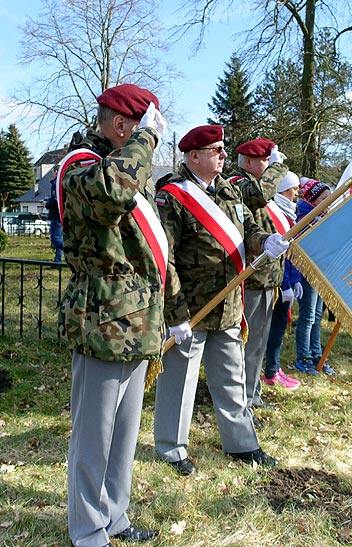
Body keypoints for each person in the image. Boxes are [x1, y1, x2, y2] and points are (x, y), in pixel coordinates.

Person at [60, 84, 169, 547]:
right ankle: (87, 531)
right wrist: (145, 142)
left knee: (123, 439)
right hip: (102, 325)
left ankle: (114, 517)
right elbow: (110, 192)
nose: (152, 138)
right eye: (144, 128)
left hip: (138, 326)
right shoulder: (81, 169)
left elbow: (151, 251)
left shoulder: (131, 175)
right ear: (123, 125)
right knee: (93, 440)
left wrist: (173, 314)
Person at [153, 125, 289, 472]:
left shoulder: (228, 192)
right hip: (193, 308)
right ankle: (172, 448)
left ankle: (241, 444)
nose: (224, 155)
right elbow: (164, 257)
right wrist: (175, 314)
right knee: (180, 381)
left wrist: (264, 242)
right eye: (216, 150)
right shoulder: (173, 195)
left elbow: (246, 231)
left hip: (228, 305)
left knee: (232, 378)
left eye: (223, 149)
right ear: (194, 156)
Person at [228, 138, 290, 423]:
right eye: (267, 161)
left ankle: (253, 394)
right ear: (250, 161)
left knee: (259, 343)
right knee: (247, 344)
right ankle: (242, 398)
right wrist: (278, 169)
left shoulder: (256, 187)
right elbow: (261, 195)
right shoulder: (239, 184)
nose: (270, 167)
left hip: (267, 280)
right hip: (250, 280)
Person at [263, 170, 303, 390]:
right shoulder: (277, 213)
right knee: (275, 327)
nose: (296, 193)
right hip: (278, 282)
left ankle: (274, 367)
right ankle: (270, 371)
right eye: (293, 189)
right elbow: (281, 256)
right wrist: (286, 283)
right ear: (283, 190)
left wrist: (295, 279)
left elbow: (293, 253)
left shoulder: (289, 213)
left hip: (286, 281)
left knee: (278, 328)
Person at [294, 178, 336, 376]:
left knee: (317, 317)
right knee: (308, 316)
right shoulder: (304, 219)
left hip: (321, 274)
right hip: (308, 273)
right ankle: (303, 357)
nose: (329, 202)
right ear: (313, 200)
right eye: (324, 198)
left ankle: (317, 354)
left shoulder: (323, 218)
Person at [44, 164, 63, 262]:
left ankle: (72, 250)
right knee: (60, 236)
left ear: (56, 171)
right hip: (62, 214)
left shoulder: (56, 183)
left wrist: (47, 204)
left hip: (56, 214)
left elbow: (55, 200)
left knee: (55, 239)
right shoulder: (63, 181)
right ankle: (57, 260)